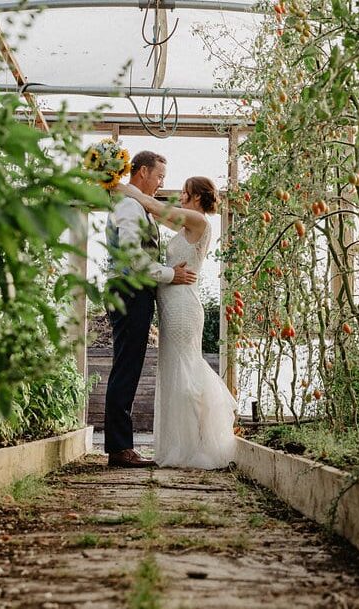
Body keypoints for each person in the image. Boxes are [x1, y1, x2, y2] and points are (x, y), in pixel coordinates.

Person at [115, 177, 238, 469]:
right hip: (171, 305)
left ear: (196, 197)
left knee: (186, 368)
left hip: (182, 305)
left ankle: (195, 442)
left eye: (185, 191)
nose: (180, 195)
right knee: (174, 368)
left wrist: (123, 187)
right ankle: (179, 444)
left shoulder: (199, 220)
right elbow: (155, 213)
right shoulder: (185, 226)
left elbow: (153, 206)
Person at [104, 151, 197, 468]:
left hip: (132, 291)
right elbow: (134, 258)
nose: (161, 184)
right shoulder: (130, 206)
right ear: (142, 171)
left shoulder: (136, 205)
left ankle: (120, 447)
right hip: (129, 290)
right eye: (159, 176)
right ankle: (119, 449)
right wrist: (172, 275)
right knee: (126, 367)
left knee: (127, 365)